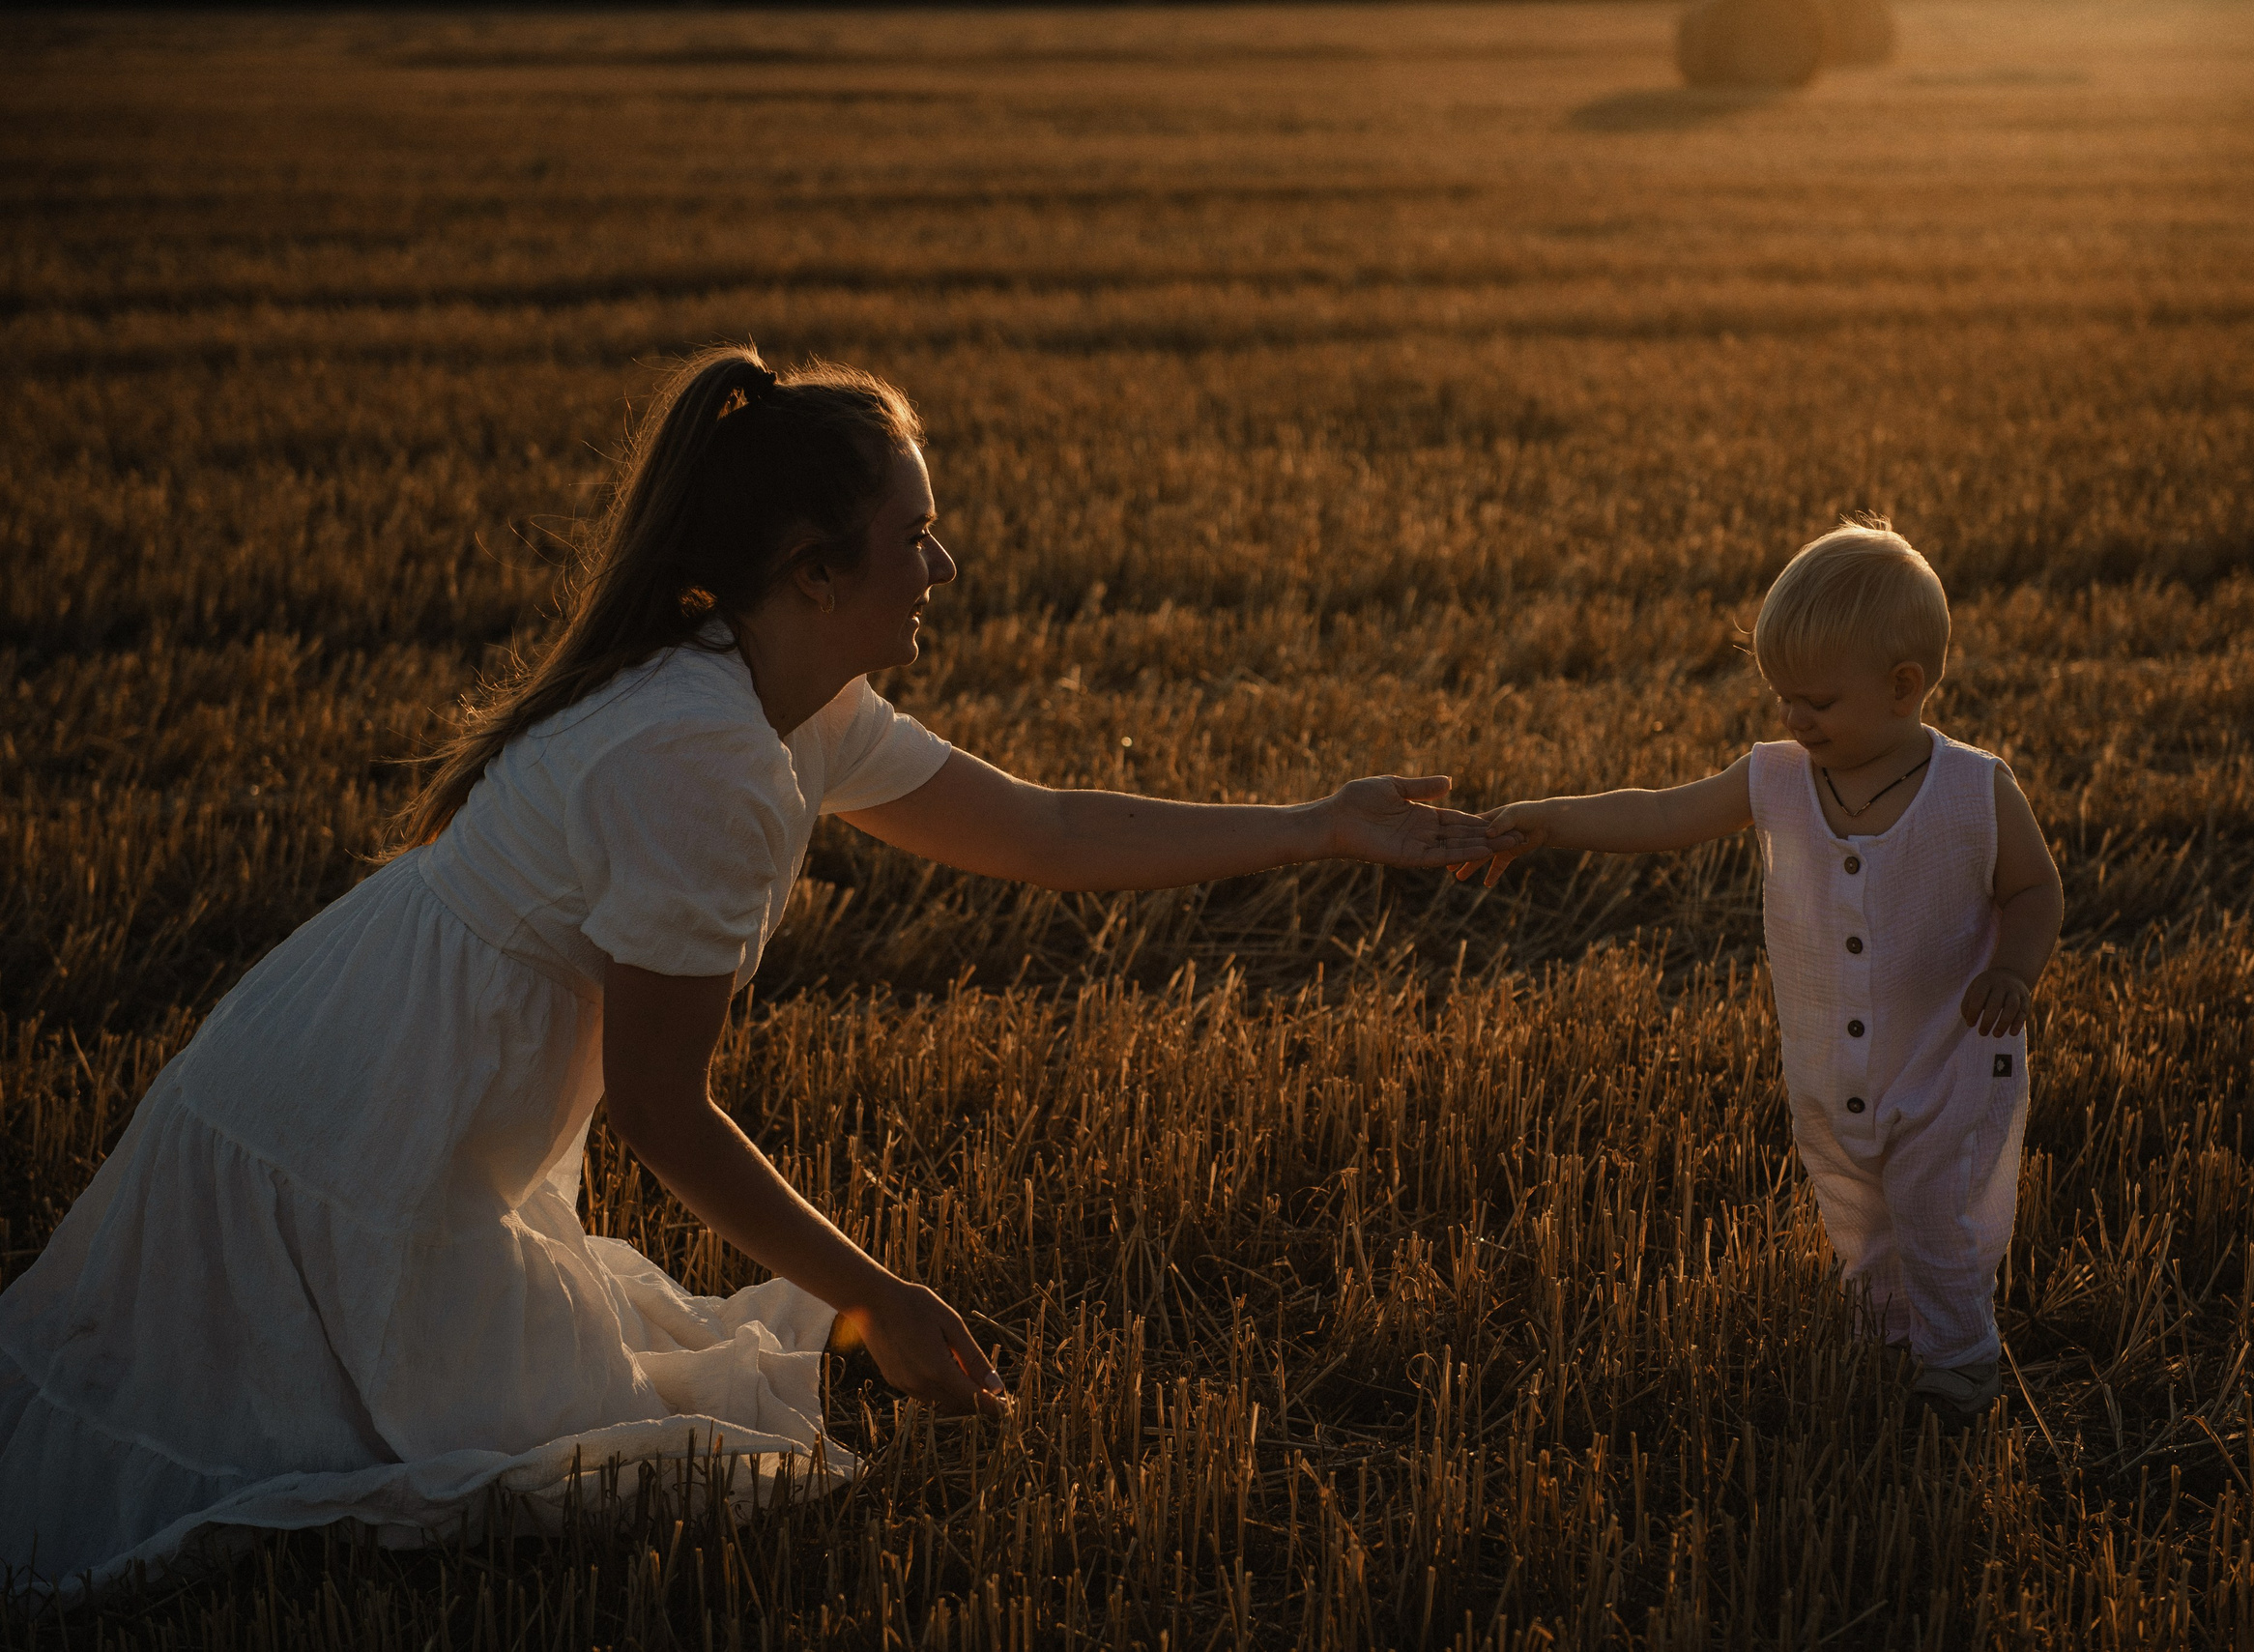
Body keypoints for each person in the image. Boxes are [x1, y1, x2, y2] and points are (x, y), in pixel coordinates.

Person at [0, 347, 1513, 1592]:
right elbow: (663, 1113)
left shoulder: (785, 689)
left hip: (359, 1072)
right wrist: (873, 1296)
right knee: (509, 1479)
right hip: (347, 1137)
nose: (942, 561)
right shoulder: (705, 760)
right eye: (910, 536)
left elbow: (1044, 831)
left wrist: (1323, 826)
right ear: (807, 570)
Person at [1459, 520, 2064, 1421]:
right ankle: (1884, 1331)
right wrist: (1555, 818)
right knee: (1859, 1211)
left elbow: (2035, 890)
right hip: (1830, 1066)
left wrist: (2015, 971)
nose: (1792, 717)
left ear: (1904, 688)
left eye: (1815, 700)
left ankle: (1960, 1363)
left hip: (1947, 1057)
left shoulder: (1977, 789)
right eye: (1780, 695)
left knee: (1938, 1216)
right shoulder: (1778, 777)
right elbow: (1663, 814)